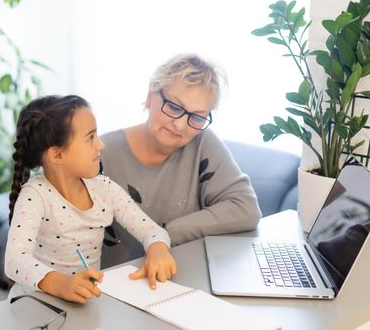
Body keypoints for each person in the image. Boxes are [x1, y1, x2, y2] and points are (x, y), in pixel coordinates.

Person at [4, 95, 177, 304]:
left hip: (83, 304)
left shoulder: (105, 189)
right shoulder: (35, 196)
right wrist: (62, 284)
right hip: (35, 304)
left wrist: (158, 248)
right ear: (57, 155)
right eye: (90, 137)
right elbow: (15, 260)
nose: (100, 145)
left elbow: (151, 229)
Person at [100, 54, 262, 268]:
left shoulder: (203, 143)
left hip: (178, 280)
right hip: (109, 286)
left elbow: (245, 209)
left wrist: (163, 235)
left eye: (196, 117)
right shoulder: (101, 153)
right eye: (174, 107)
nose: (180, 125)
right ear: (150, 96)